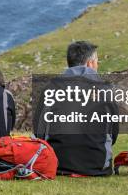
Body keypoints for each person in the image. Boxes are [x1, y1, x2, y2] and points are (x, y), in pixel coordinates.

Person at [46, 41, 119, 176]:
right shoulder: (105, 89)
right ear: (90, 64)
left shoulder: (51, 87)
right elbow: (113, 134)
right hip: (97, 166)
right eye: (97, 61)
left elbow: (41, 132)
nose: (97, 65)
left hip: (57, 165)